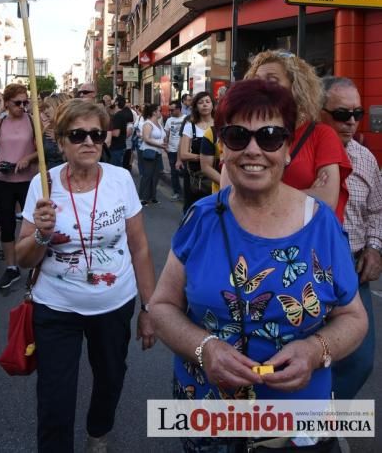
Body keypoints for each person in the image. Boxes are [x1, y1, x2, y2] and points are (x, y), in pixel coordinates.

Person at [150, 79, 367, 453]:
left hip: (299, 425)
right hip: (211, 421)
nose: (253, 150)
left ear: (286, 149)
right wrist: (205, 348)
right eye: (237, 136)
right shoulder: (200, 218)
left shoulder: (321, 223)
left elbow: (354, 317)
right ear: (222, 145)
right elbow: (162, 306)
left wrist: (315, 350)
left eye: (269, 136)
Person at [16, 99, 156, 453]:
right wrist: (41, 235)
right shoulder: (43, 185)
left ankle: (98, 430)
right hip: (56, 307)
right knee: (54, 397)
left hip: (114, 304)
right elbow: (24, 258)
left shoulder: (121, 180)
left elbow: (139, 248)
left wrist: (150, 309)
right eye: (78, 135)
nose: (89, 142)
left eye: (96, 133)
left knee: (110, 377)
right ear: (61, 142)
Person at [236, 50, 352, 223]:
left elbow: (327, 199)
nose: (260, 86)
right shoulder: (240, 132)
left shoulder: (321, 134)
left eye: (271, 80)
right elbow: (229, 195)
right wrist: (303, 195)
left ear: (296, 87)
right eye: (257, 80)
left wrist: (257, 198)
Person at [321, 76, 382, 400]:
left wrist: (374, 248)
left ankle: (316, 421)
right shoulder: (298, 155)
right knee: (308, 356)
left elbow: (377, 211)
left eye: (357, 114)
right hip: (308, 271)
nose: (352, 122)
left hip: (353, 271)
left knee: (359, 361)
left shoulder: (365, 158)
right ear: (320, 112)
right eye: (342, 114)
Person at [0, 83, 37, 290]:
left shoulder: (31, 120)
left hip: (27, 180)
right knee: (7, 225)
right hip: (3, 179)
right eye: (17, 102)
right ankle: (12, 268)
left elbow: (42, 151)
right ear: (8, 102)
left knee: (32, 224)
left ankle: (34, 266)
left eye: (25, 102)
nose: (22, 106)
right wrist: (0, 108)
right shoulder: (1, 120)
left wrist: (28, 158)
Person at [179, 91, 215, 212]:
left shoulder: (220, 125)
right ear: (196, 107)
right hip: (195, 178)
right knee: (192, 210)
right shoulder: (190, 126)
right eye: (200, 102)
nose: (204, 105)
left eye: (207, 102)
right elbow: (184, 154)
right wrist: (204, 158)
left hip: (216, 177)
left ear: (212, 105)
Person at [139, 103, 166, 206]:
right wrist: (160, 144)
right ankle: (143, 198)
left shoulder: (158, 123)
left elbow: (162, 137)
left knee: (155, 175)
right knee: (147, 175)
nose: (161, 112)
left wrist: (163, 145)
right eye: (159, 110)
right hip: (149, 152)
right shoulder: (148, 124)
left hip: (158, 152)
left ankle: (152, 197)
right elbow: (146, 138)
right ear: (154, 112)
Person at [41, 93, 70, 169]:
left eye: (48, 107)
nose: (45, 111)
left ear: (59, 107)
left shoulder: (73, 130)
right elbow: (42, 158)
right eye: (44, 108)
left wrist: (59, 139)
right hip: (49, 176)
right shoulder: (47, 129)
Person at [164, 100, 185, 201]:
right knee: (174, 173)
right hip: (172, 150)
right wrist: (166, 147)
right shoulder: (169, 120)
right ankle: (177, 192)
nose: (170, 112)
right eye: (169, 110)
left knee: (185, 172)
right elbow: (167, 134)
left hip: (184, 151)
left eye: (172, 110)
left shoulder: (186, 119)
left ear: (178, 109)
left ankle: (186, 192)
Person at [109, 95, 132, 167]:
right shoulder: (120, 114)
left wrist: (104, 132)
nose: (111, 101)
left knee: (115, 171)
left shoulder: (118, 115)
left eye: (113, 99)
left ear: (116, 102)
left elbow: (116, 133)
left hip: (116, 148)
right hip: (119, 147)